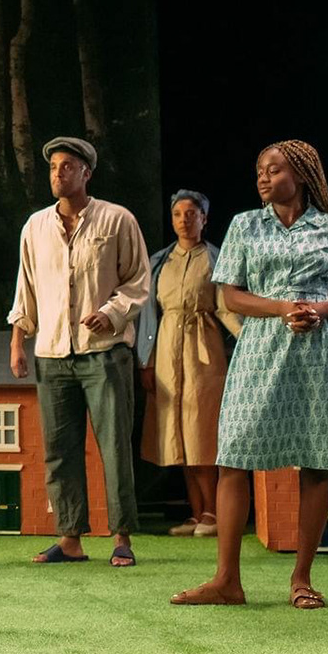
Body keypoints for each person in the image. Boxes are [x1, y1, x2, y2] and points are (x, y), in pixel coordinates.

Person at [171, 141, 328, 610]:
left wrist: (317, 309)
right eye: (259, 169)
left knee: (317, 460)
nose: (263, 177)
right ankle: (226, 581)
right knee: (234, 456)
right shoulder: (244, 225)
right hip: (260, 347)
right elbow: (230, 296)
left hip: (319, 351)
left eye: (273, 170)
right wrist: (281, 308)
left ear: (300, 175)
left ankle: (302, 579)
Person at [8, 136, 150, 567]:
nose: (58, 174)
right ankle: (70, 539)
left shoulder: (117, 220)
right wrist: (17, 342)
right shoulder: (35, 226)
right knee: (59, 449)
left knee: (114, 446)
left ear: (86, 173)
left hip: (104, 352)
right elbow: (26, 288)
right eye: (53, 167)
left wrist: (110, 313)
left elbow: (138, 280)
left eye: (67, 166)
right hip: (52, 352)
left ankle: (122, 536)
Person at [135, 190, 241, 537]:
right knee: (176, 433)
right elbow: (148, 314)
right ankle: (196, 514)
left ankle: (214, 512)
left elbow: (226, 306)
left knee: (201, 431)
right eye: (178, 214)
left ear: (204, 219)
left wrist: (247, 338)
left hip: (202, 348)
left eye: (191, 214)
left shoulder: (215, 259)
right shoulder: (159, 262)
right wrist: (146, 360)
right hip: (167, 348)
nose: (184, 220)